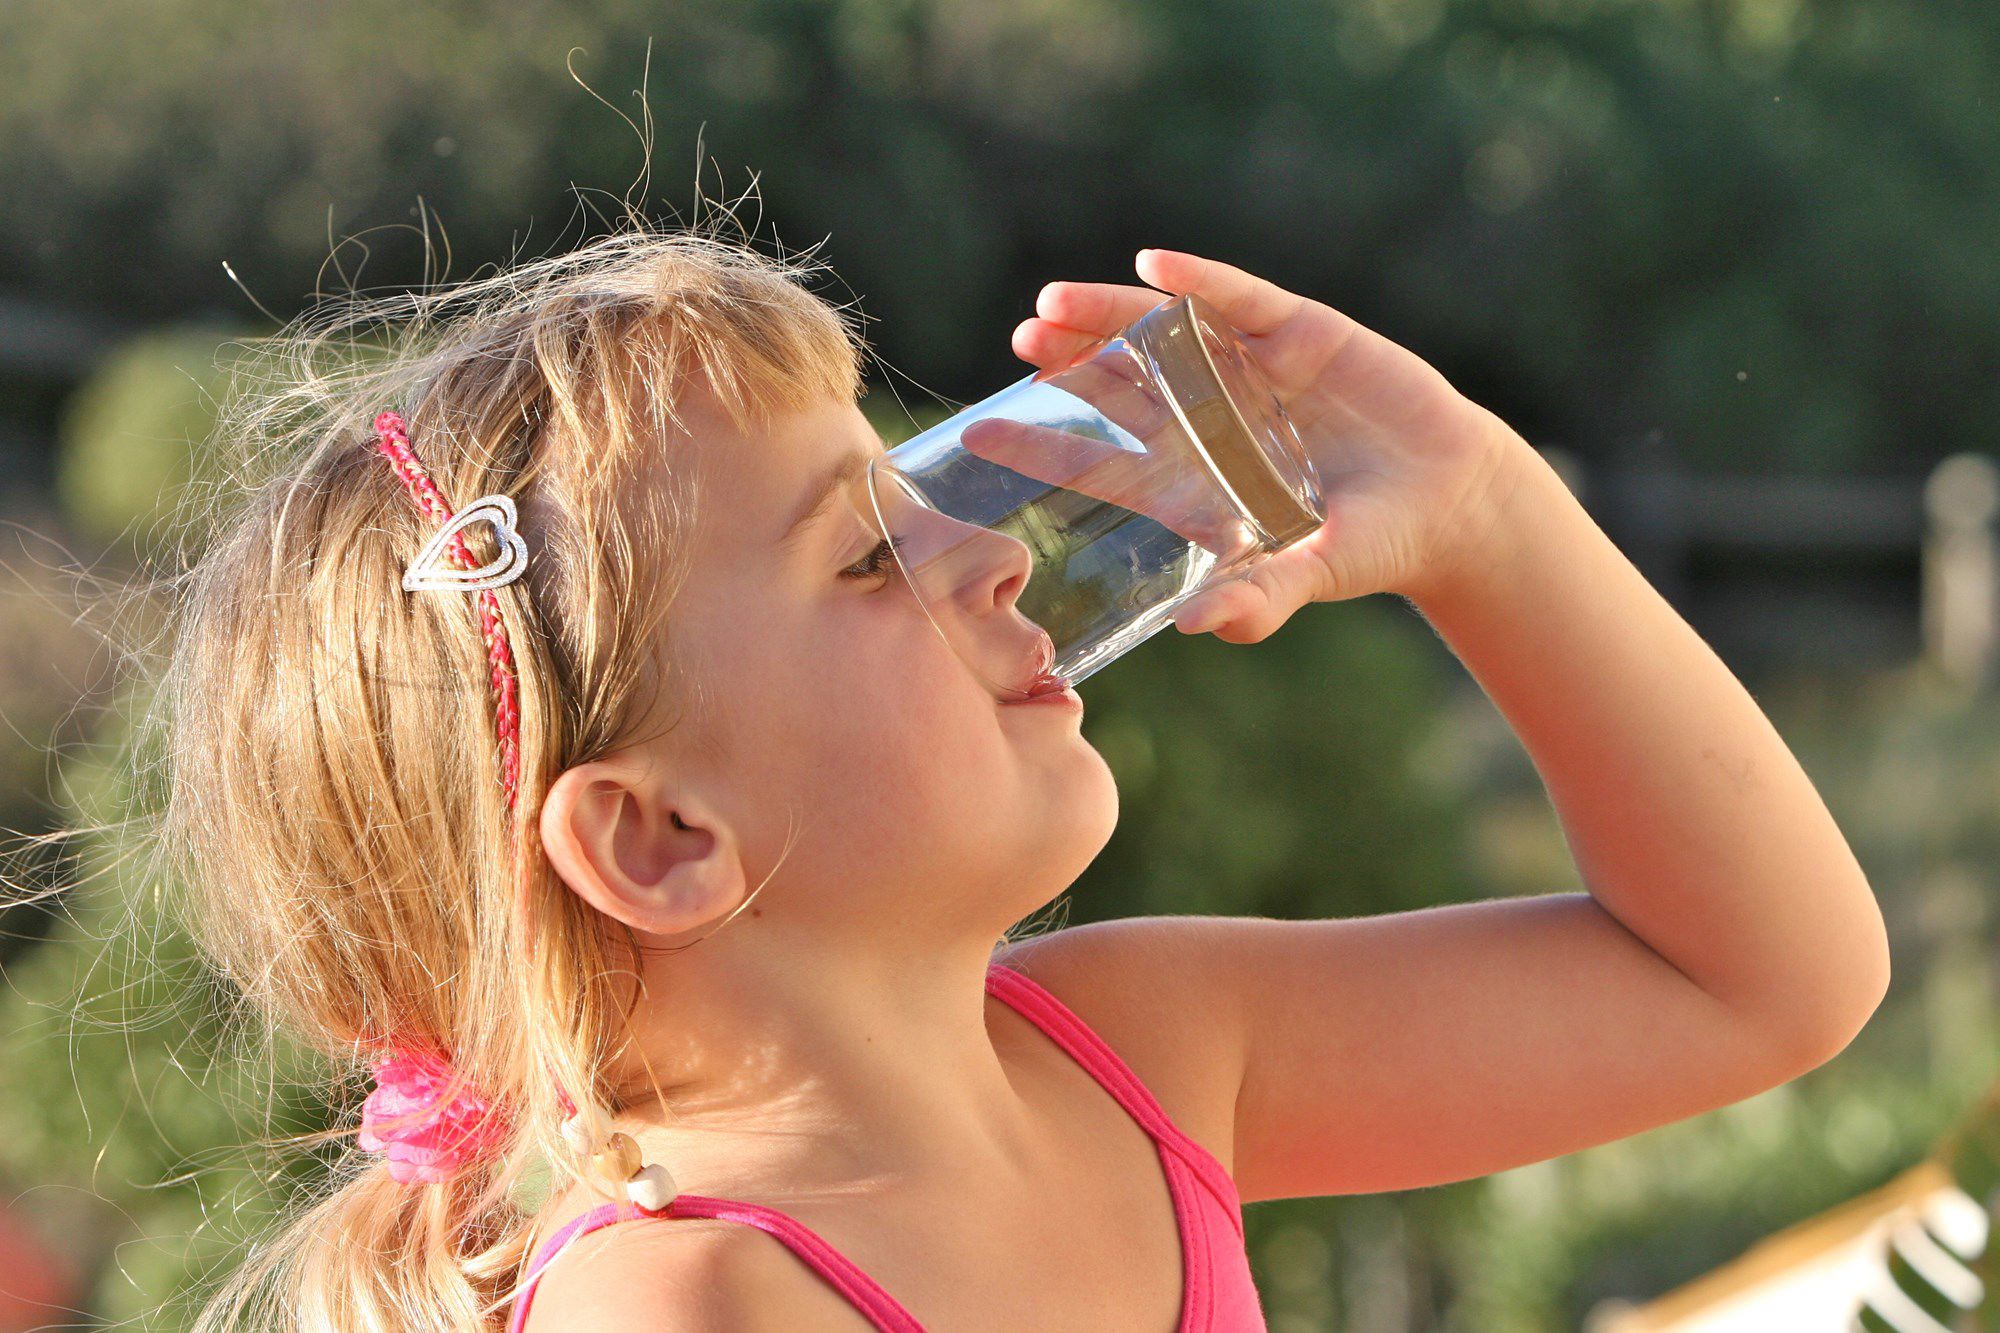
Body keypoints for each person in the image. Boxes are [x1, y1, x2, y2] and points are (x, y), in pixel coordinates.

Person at [149, 221, 1889, 1331]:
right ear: (661, 835)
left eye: (917, 496)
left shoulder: (1144, 1052)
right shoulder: (681, 1306)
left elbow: (1758, 978)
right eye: (865, 556)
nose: (995, 554)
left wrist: (1486, 512)